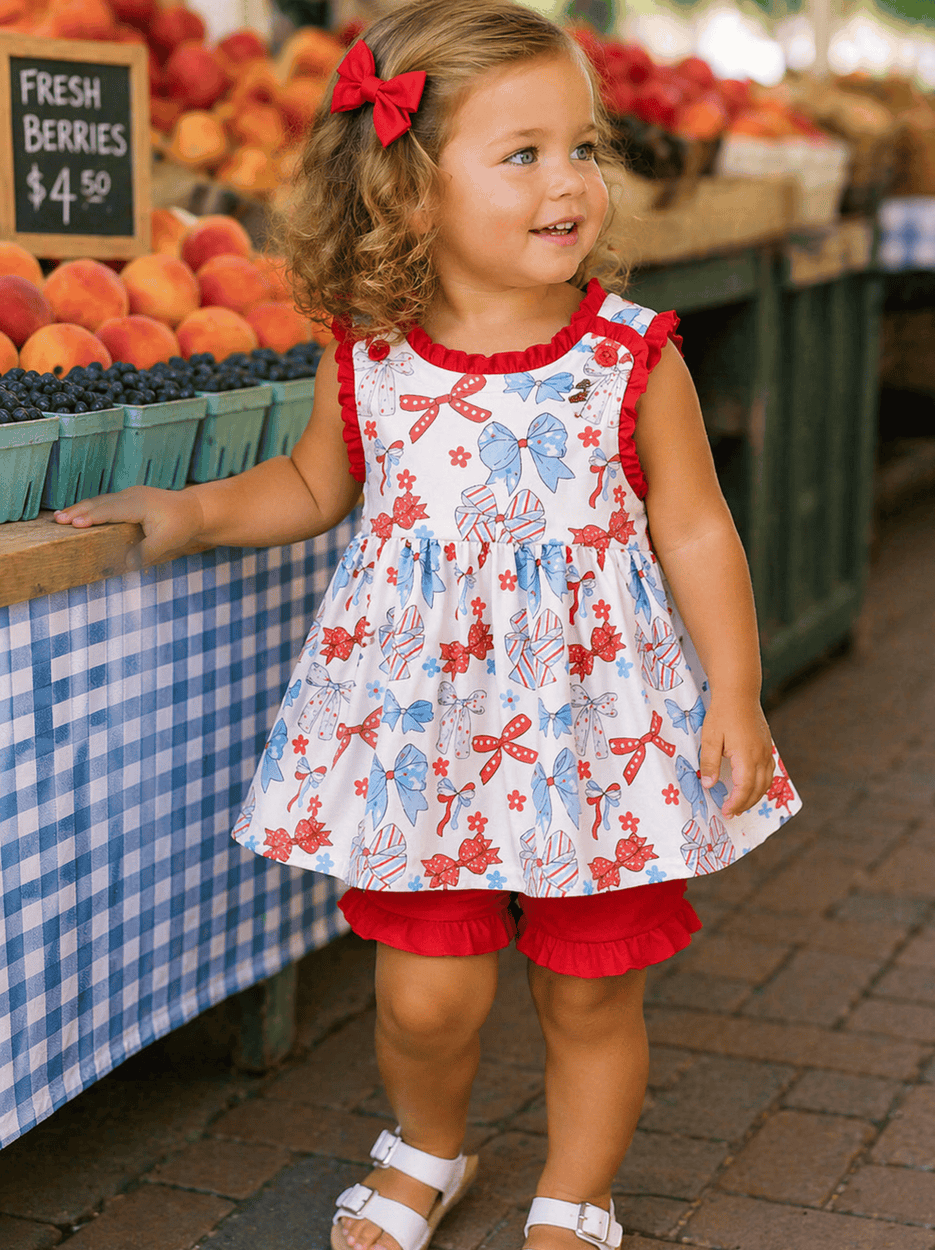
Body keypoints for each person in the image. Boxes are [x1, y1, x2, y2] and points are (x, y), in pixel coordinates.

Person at [54, 4, 802, 1249]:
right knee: (424, 996)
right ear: (408, 189)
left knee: (591, 990)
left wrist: (735, 689)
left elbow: (696, 530)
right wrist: (188, 510)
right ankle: (426, 1146)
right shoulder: (368, 356)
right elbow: (309, 487)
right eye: (523, 154)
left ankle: (577, 1190)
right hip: (423, 737)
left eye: (585, 149)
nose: (569, 183)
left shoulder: (630, 358)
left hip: (597, 733)